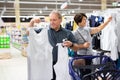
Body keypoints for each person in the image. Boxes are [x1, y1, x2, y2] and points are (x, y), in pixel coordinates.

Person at [27, 10, 90, 80]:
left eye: (54, 20)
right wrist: (32, 21)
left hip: (61, 64)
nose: (52, 22)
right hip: (46, 64)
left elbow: (76, 48)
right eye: (50, 20)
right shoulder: (44, 30)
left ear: (60, 20)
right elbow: (29, 33)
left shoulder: (67, 33)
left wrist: (71, 45)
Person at [72, 13, 112, 78]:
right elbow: (73, 46)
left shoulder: (87, 30)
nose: (86, 21)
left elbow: (98, 28)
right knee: (84, 75)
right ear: (79, 22)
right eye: (84, 20)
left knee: (90, 74)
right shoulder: (74, 33)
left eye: (86, 19)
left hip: (90, 56)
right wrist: (83, 46)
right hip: (81, 57)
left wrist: (107, 21)